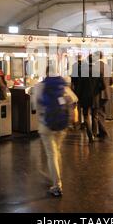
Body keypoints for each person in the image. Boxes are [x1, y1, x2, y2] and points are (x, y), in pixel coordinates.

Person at [33, 65, 78, 197]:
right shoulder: (62, 85)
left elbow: (35, 105)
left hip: (46, 125)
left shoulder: (40, 87)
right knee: (56, 151)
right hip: (62, 124)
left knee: (51, 154)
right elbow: (74, 99)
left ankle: (57, 184)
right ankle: (55, 177)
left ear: (45, 74)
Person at [92, 51, 113, 139]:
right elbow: (112, 81)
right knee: (102, 113)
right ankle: (101, 133)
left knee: (98, 113)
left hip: (99, 94)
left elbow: (95, 82)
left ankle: (104, 133)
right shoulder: (107, 66)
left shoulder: (95, 67)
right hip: (107, 93)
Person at [77, 55, 97, 143]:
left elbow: (79, 86)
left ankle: (90, 136)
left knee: (86, 116)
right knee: (95, 115)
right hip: (95, 97)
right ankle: (95, 133)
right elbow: (103, 85)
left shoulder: (83, 72)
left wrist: (78, 96)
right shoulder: (97, 71)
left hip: (85, 97)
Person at [70, 54, 83, 129]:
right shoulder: (85, 66)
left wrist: (72, 89)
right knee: (83, 106)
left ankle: (77, 122)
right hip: (83, 89)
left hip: (76, 89)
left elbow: (73, 80)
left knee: (76, 106)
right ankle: (83, 122)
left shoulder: (74, 65)